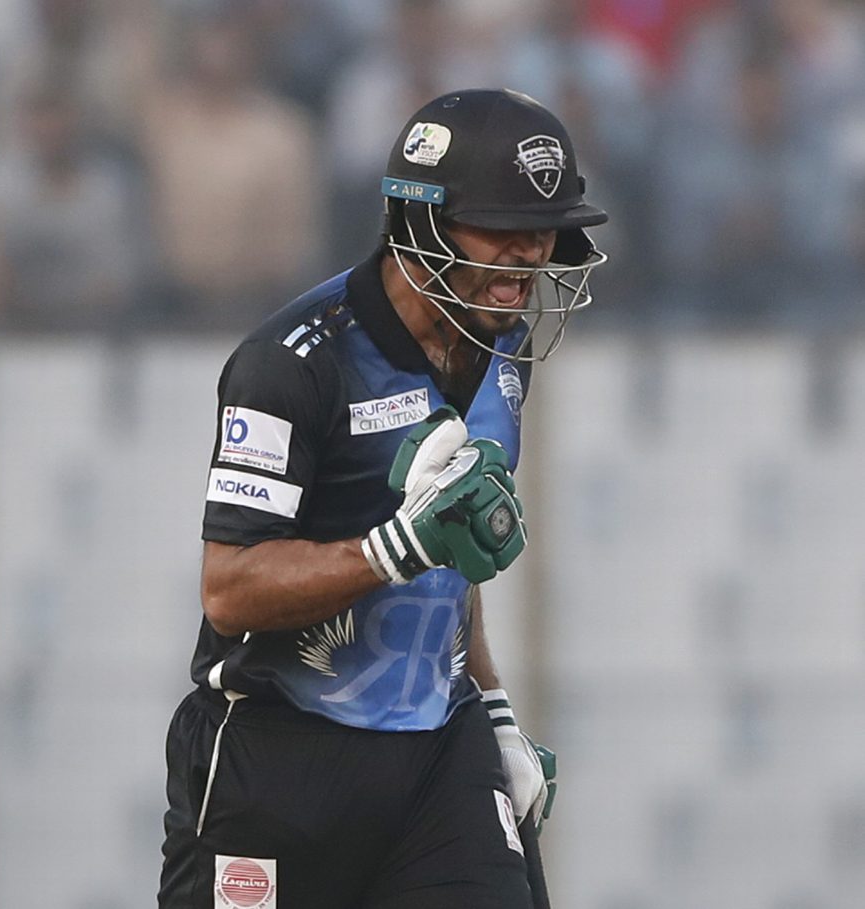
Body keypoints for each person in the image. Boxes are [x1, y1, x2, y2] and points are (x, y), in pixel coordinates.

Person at [158, 88, 608, 909]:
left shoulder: (502, 347)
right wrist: (392, 547)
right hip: (280, 754)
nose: (529, 260)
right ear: (419, 220)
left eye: (541, 234)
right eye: (502, 232)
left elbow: (454, 552)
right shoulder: (292, 362)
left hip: (438, 752)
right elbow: (230, 589)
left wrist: (495, 707)